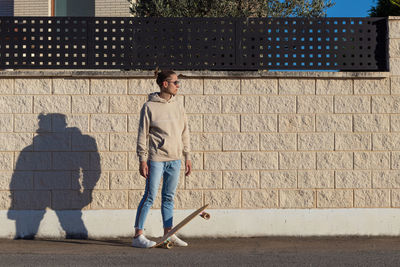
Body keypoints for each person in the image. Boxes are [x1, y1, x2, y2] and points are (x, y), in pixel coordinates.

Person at [132, 70, 192, 248]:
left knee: (169, 197)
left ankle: (169, 234)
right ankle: (138, 236)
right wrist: (142, 159)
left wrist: (187, 156)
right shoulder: (149, 107)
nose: (178, 86)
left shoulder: (179, 106)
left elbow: (185, 132)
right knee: (149, 196)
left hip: (175, 159)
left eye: (178, 82)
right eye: (175, 82)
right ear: (164, 84)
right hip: (156, 159)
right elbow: (142, 135)